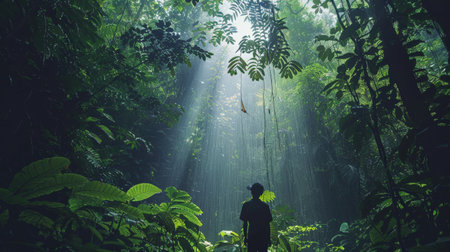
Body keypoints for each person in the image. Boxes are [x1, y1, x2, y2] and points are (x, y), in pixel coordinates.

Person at [240, 183, 272, 252]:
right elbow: (267, 225)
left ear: (251, 192)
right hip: (263, 237)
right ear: (261, 193)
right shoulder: (265, 206)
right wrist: (268, 238)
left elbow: (245, 223)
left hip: (252, 236)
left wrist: (245, 237)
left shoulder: (246, 205)